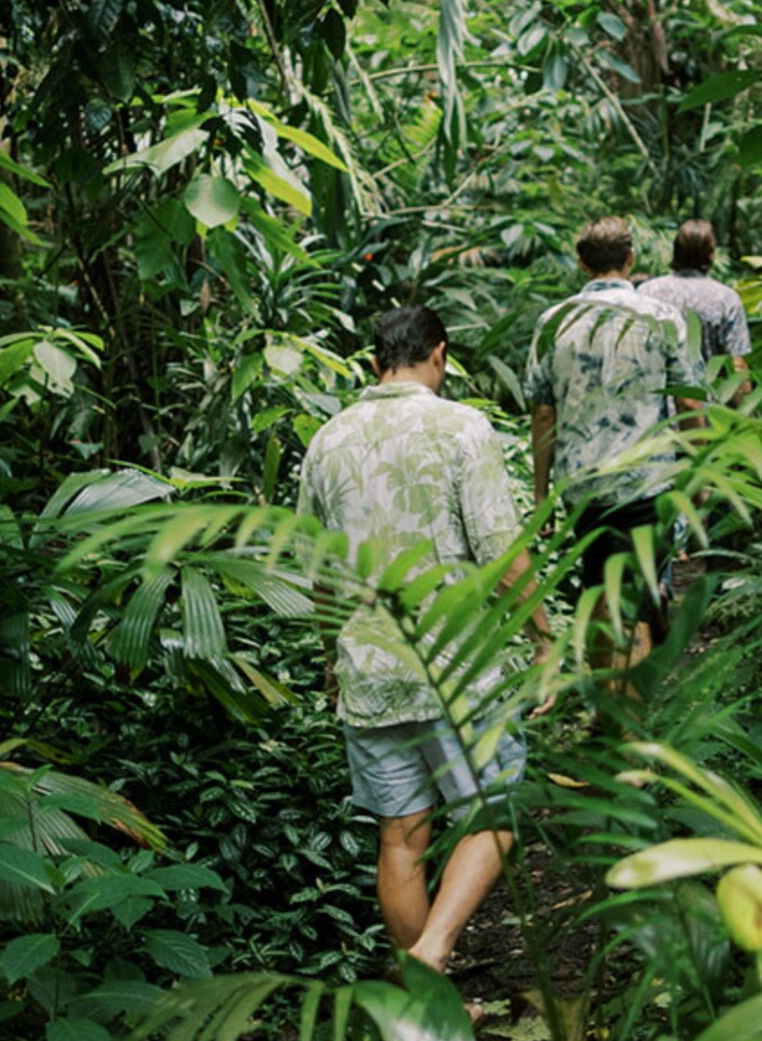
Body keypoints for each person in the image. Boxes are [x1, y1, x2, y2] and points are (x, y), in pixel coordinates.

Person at [297, 304, 551, 974]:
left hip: (369, 666)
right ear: (439, 354)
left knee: (402, 840)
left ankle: (429, 1000)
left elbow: (319, 575)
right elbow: (501, 552)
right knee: (497, 808)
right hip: (457, 665)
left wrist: (333, 659)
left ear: (375, 361)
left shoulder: (326, 441)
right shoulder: (462, 427)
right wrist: (547, 640)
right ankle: (434, 950)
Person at [525, 216, 704, 657]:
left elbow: (543, 413)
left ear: (582, 264)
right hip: (646, 482)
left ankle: (606, 709)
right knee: (637, 604)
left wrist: (542, 496)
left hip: (582, 485)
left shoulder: (554, 321)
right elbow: (688, 403)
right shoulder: (662, 317)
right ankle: (626, 720)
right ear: (630, 259)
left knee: (601, 589)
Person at [639, 218, 752, 406]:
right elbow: (736, 366)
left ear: (675, 251)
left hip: (653, 412)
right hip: (705, 413)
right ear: (710, 255)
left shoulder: (647, 292)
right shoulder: (725, 299)